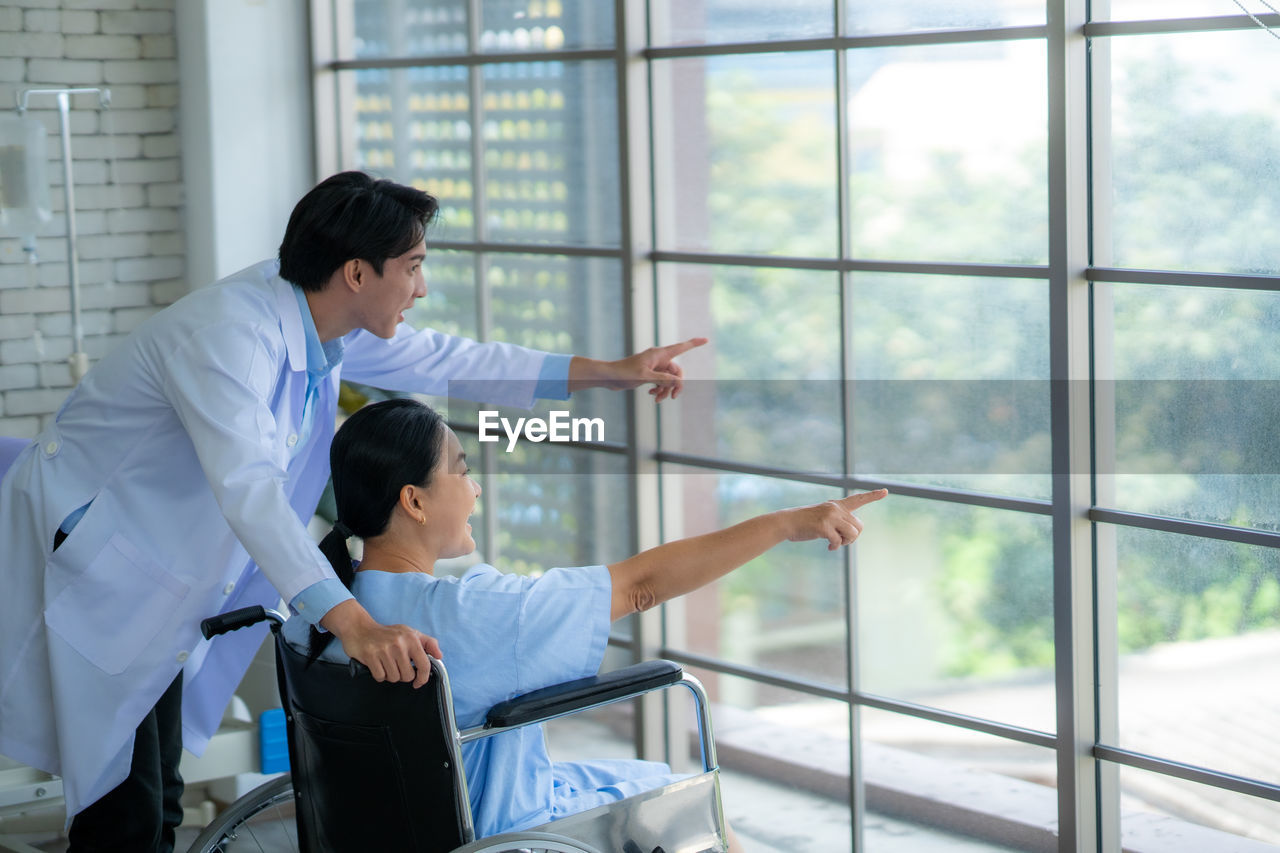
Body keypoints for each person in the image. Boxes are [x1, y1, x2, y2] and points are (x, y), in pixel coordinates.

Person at [0, 171, 705, 851]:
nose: (422, 288)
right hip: (105, 573)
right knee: (121, 813)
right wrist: (353, 622)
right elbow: (249, 488)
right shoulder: (228, 339)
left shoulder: (323, 326)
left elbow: (449, 359)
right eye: (414, 266)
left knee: (155, 801)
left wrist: (609, 371)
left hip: (153, 578)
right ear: (358, 273)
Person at [283, 397, 887, 846]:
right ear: (414, 501)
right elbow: (642, 586)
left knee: (644, 775)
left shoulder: (317, 616)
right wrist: (784, 524)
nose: (476, 490)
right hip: (504, 831)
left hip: (383, 829)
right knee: (692, 800)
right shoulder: (474, 613)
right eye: (462, 471)